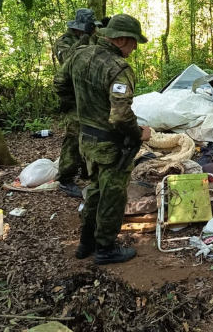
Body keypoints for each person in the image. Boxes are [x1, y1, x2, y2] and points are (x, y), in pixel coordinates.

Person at [59, 14, 151, 265]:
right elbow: (121, 116)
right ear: (121, 39)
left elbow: (60, 83)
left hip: (86, 139)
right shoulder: (117, 68)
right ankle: (105, 248)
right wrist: (138, 133)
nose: (134, 49)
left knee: (96, 190)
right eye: (134, 43)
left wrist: (80, 112)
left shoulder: (79, 54)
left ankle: (85, 243)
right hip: (111, 145)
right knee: (112, 195)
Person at [53, 9, 104, 198]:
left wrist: (106, 30)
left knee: (91, 134)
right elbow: (67, 58)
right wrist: (85, 38)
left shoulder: (92, 38)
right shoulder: (64, 41)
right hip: (73, 98)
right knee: (74, 137)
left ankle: (86, 170)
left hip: (89, 94)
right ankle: (65, 178)